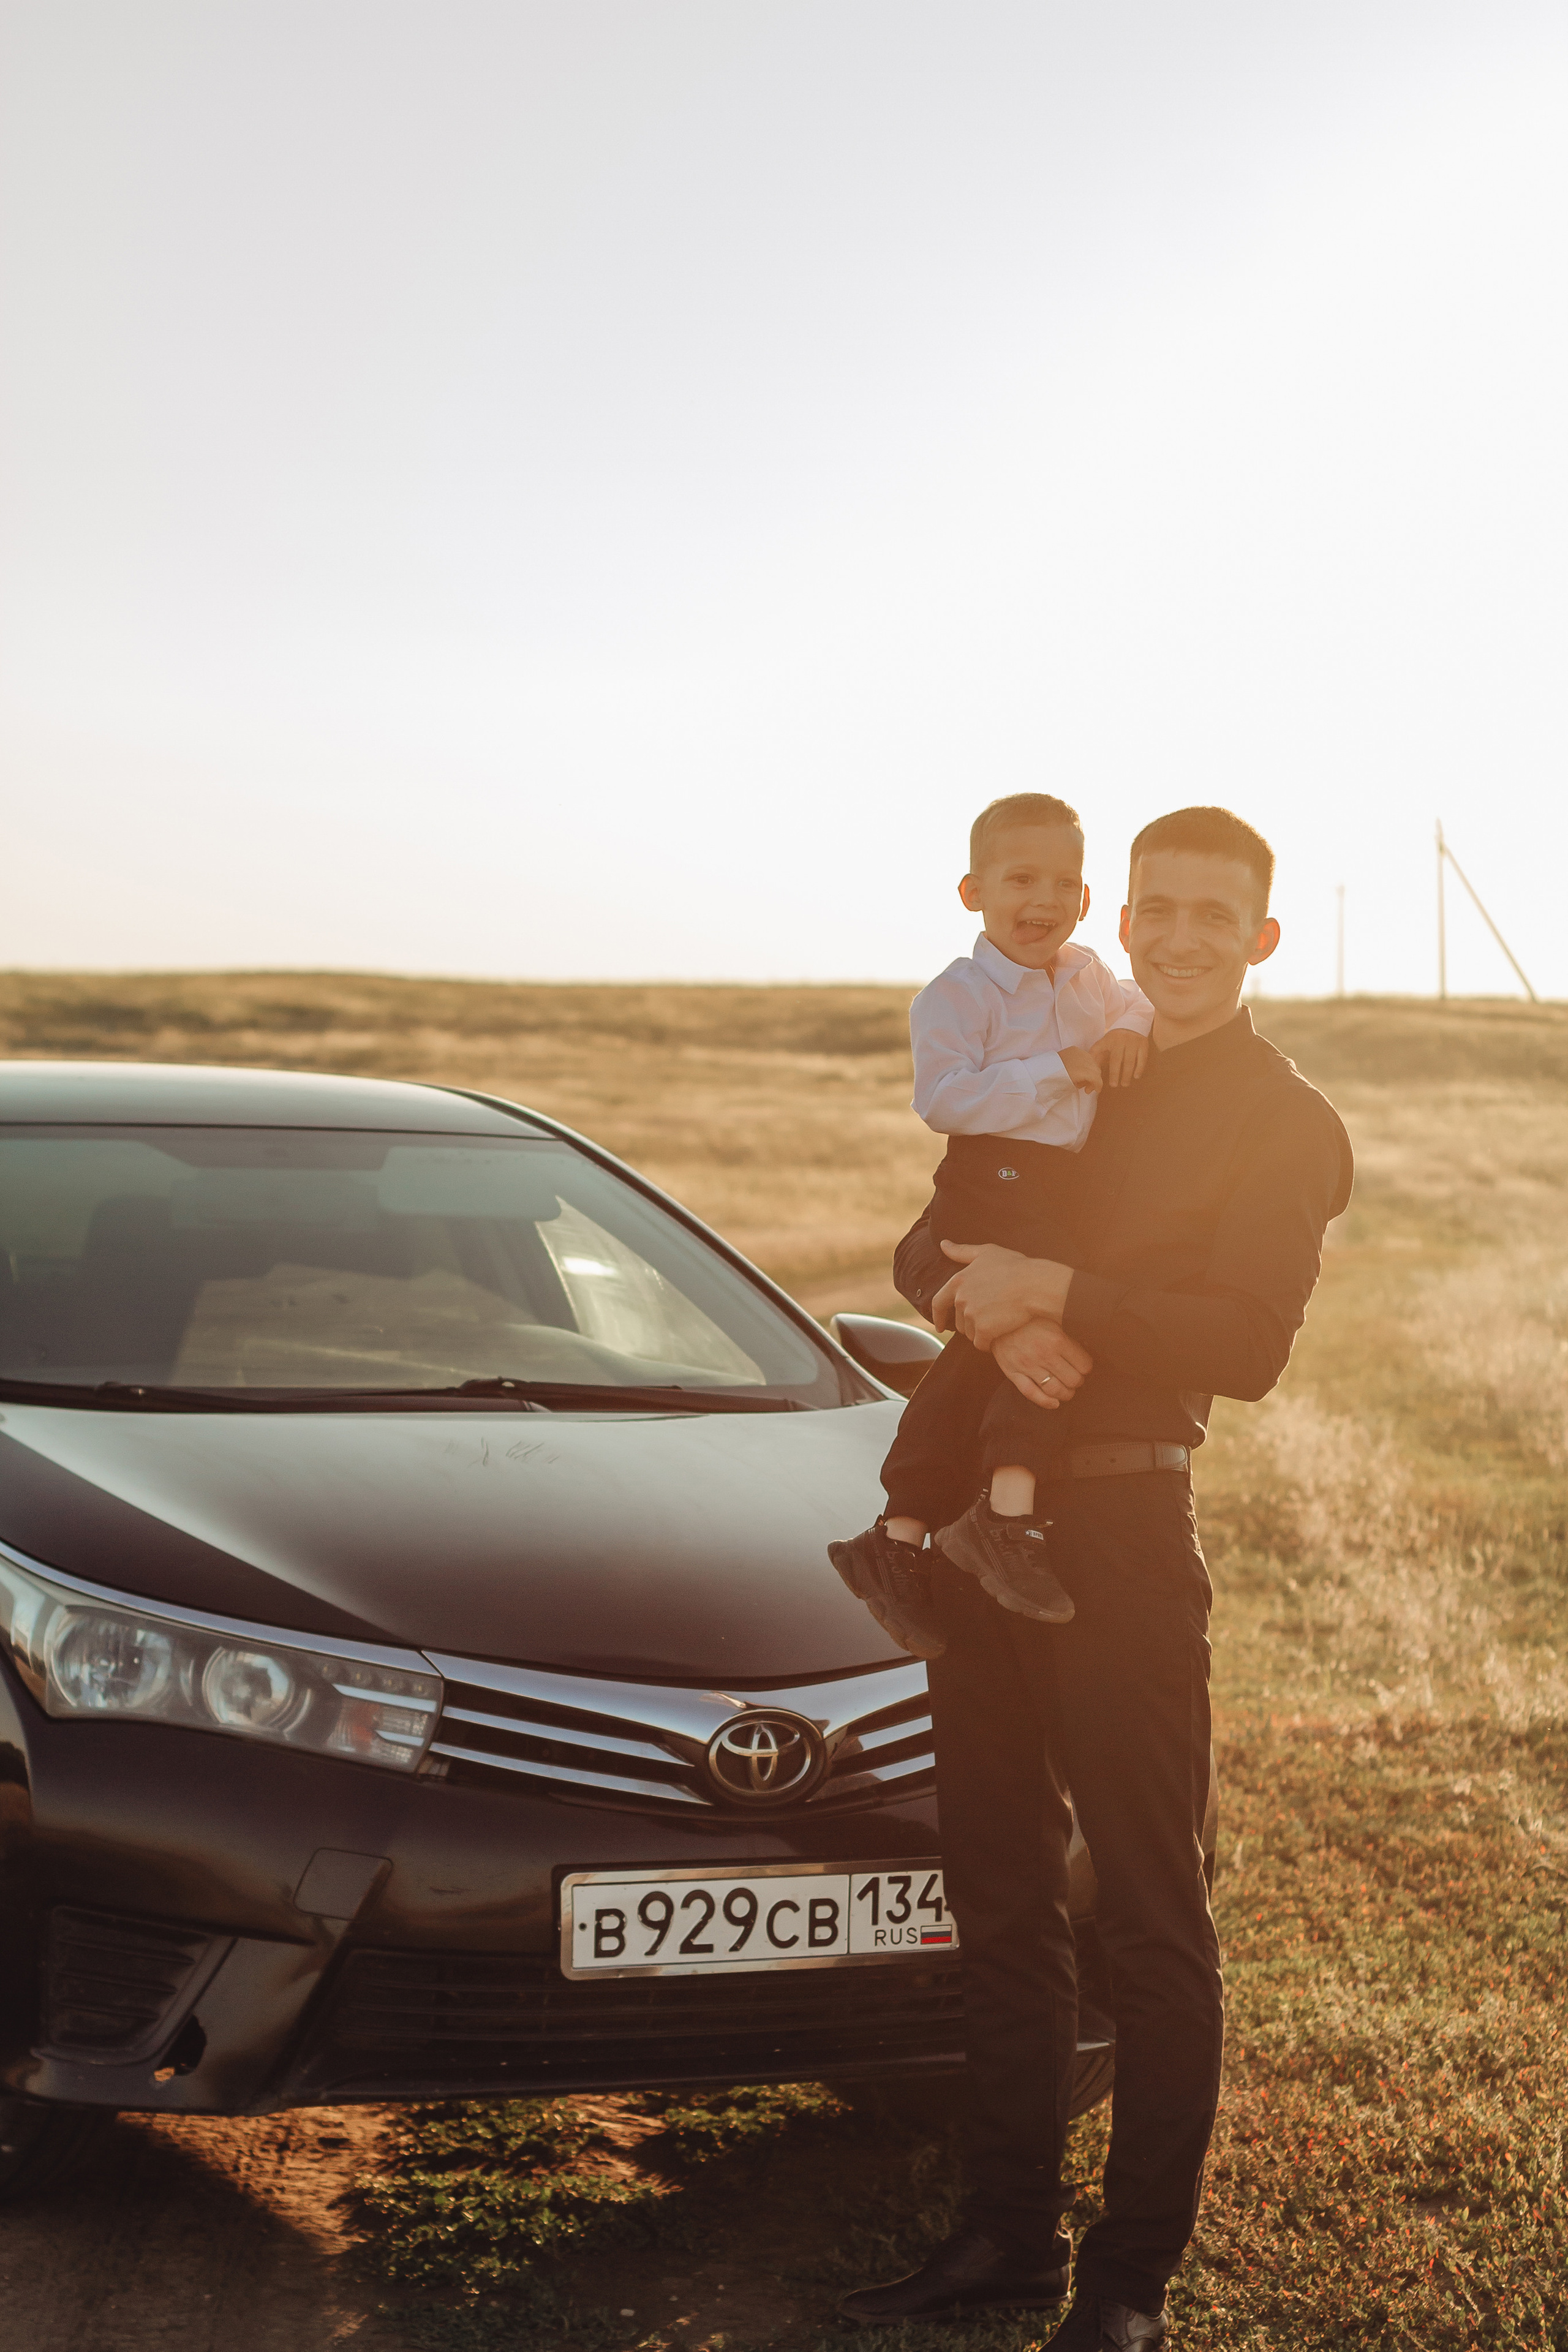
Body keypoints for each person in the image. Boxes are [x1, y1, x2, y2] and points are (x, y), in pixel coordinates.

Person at [836, 807, 1354, 2348]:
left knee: (1146, 1915)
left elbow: (1245, 1343)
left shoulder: (1283, 1119)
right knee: (997, 1898)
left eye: (1215, 915)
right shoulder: (1074, 1044)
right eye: (1159, 911)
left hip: (1122, 1540)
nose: (1181, 938)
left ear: (1261, 938)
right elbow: (926, 1241)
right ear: (1121, 922)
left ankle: (1125, 2285)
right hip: (987, 1557)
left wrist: (1062, 1292)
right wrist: (984, 1308)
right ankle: (1002, 2239)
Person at [829, 791, 1152, 1651]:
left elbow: (1135, 1006)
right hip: (994, 1174)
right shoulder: (956, 995)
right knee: (1048, 1316)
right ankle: (1008, 1513)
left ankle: (897, 1532)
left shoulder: (1092, 978)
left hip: (1059, 1184)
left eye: (1065, 882)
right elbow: (944, 1100)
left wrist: (1123, 1033)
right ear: (972, 892)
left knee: (979, 1355)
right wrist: (1064, 1068)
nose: (1043, 900)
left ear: (1088, 901)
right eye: (1020, 879)